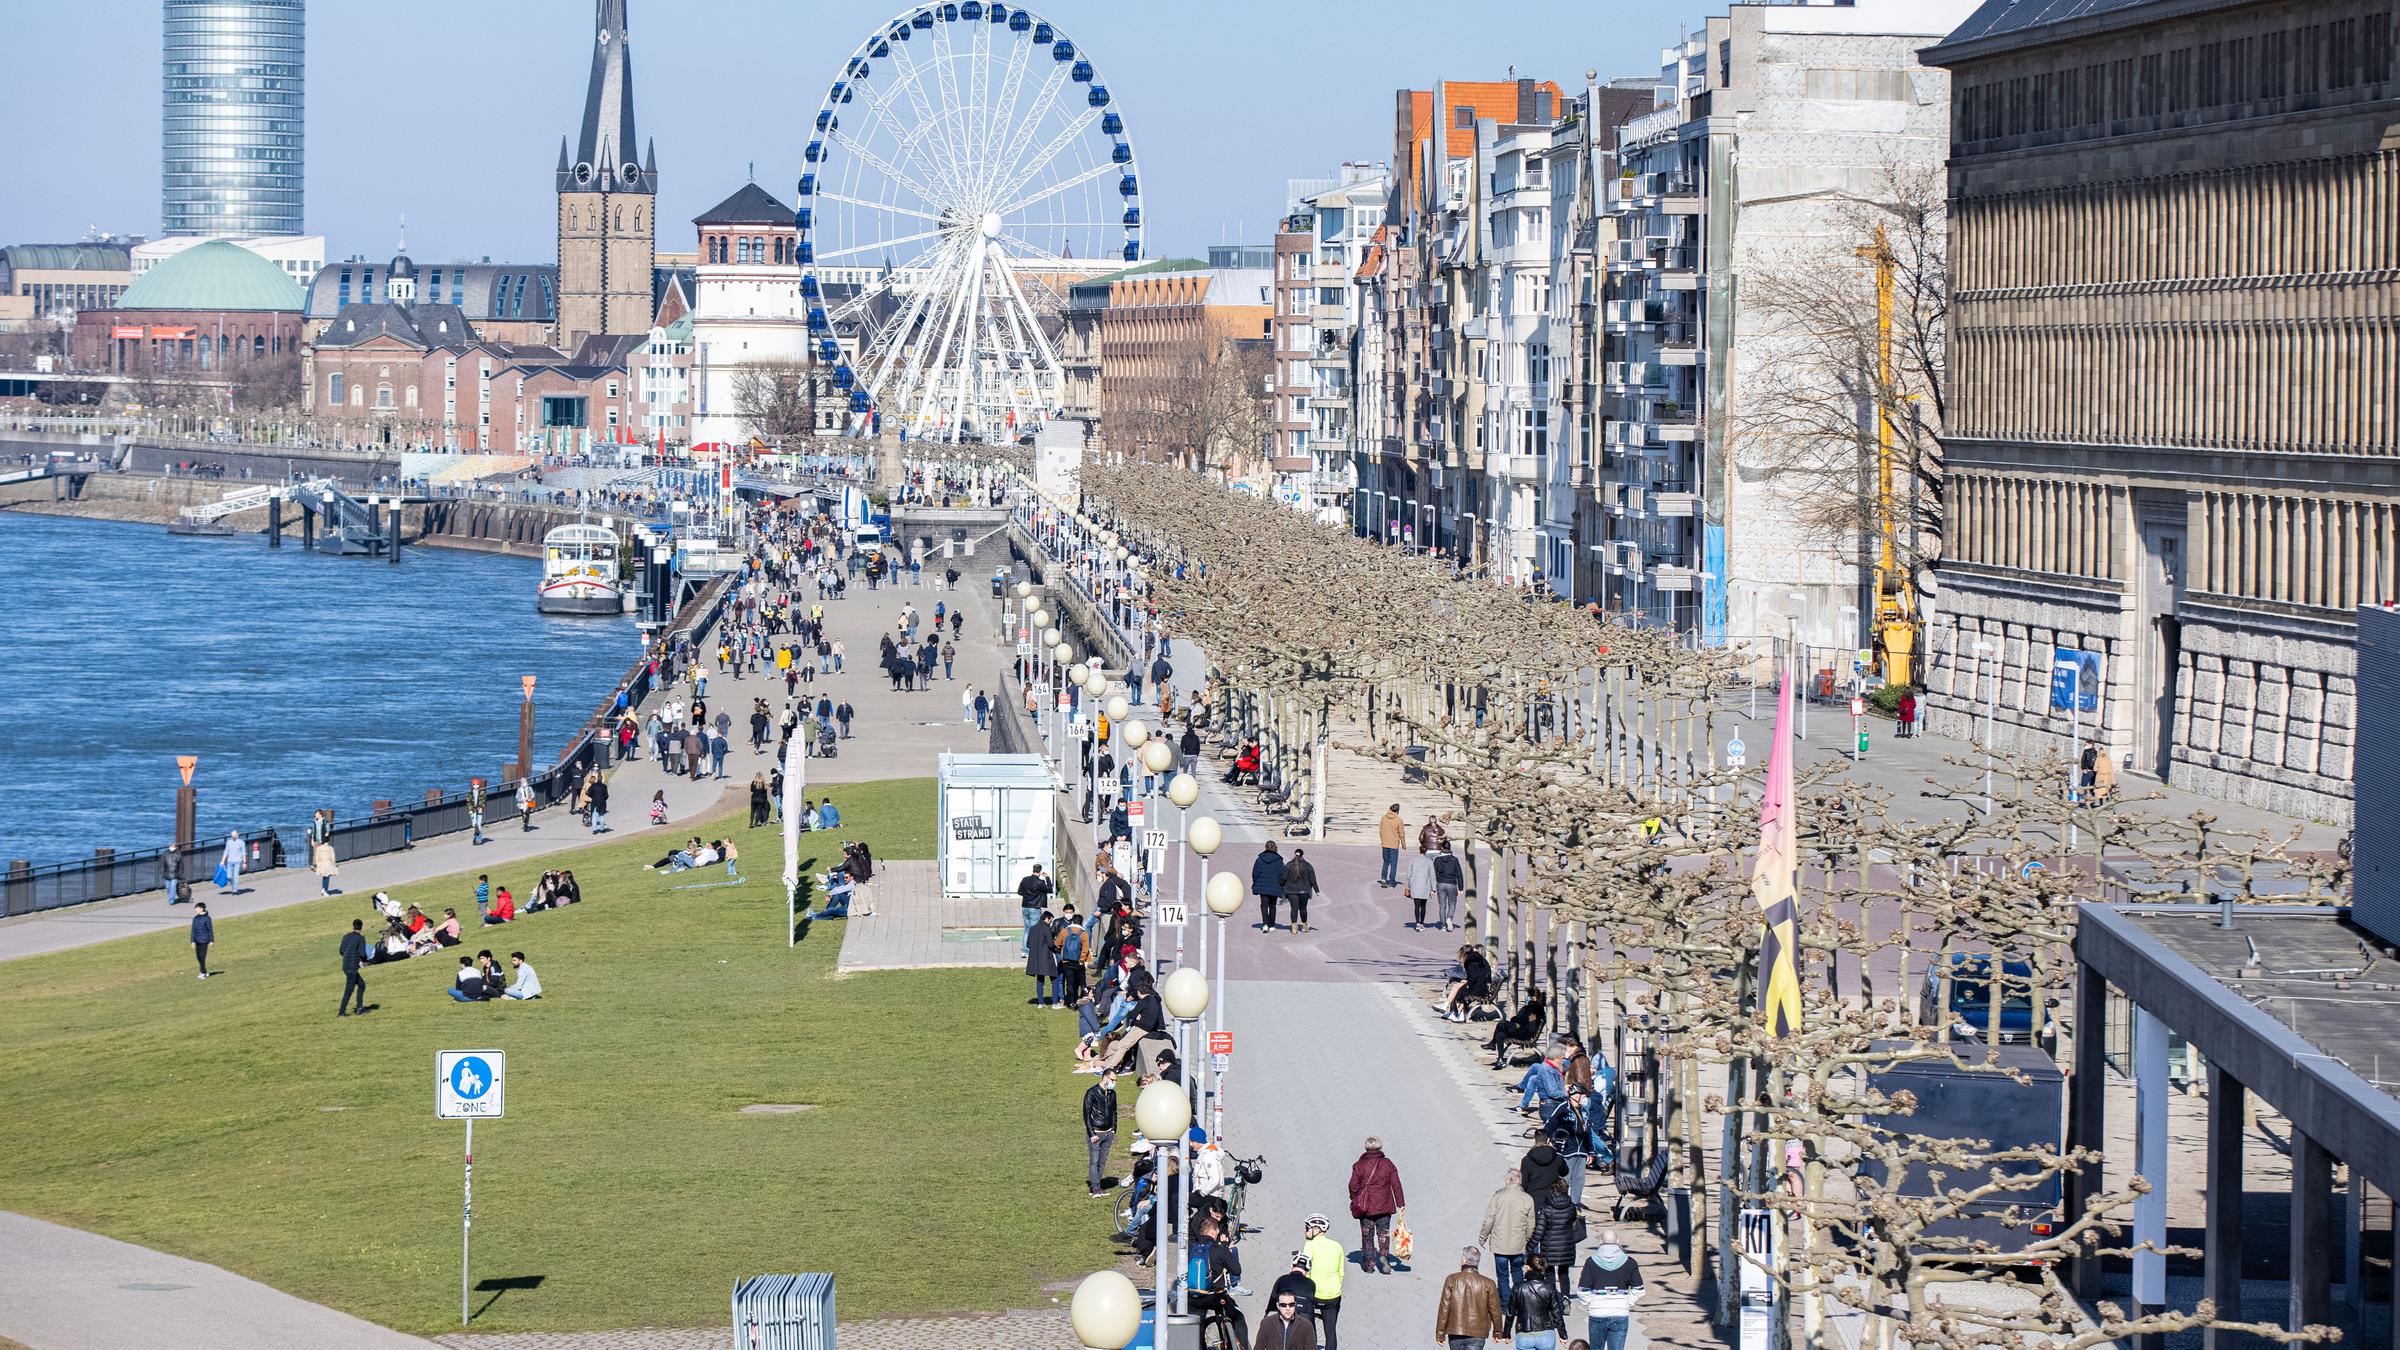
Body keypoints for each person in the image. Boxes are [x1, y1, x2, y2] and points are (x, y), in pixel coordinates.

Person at [1480, 1166, 1536, 1322]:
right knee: (1518, 1274)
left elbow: (1489, 1219)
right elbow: (1531, 1224)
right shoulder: (1527, 1199)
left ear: (1507, 1180)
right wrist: (1527, 1238)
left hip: (1500, 1244)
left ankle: (1505, 1305)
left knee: (1502, 1276)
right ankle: (1519, 1303)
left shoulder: (1497, 1198)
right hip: (1518, 1244)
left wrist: (1483, 1237)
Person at [1575, 1232, 1645, 1350]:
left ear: (1601, 1242)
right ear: (1617, 1241)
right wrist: (1627, 1302)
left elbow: (1582, 1290)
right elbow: (1639, 1289)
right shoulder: (1629, 1262)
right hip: (1620, 1312)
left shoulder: (1591, 1262)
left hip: (1597, 1312)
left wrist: (1591, 1303)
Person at [1347, 1136, 1406, 1274]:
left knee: (1367, 1236)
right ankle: (1384, 1257)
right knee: (1383, 1233)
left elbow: (1353, 1185)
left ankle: (1369, 1264)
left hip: (1365, 1207)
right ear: (1380, 1147)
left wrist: (1355, 1198)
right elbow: (1396, 1184)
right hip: (1384, 1206)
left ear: (1366, 1148)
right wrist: (1400, 1203)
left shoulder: (1359, 1165)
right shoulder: (1387, 1163)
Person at [1437, 1245, 1507, 1350]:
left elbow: (1444, 1308)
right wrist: (1497, 1332)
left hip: (1456, 1330)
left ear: (1464, 1260)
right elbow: (1495, 1310)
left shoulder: (1451, 1279)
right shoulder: (1489, 1283)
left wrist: (1440, 1333)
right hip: (1478, 1332)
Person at [1529, 1179, 1582, 1299]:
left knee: (1549, 1273)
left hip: (1549, 1246)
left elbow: (1540, 1230)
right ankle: (1565, 1298)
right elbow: (1573, 1221)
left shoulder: (1546, 1207)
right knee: (1564, 1273)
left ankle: (1551, 1299)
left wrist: (1530, 1246)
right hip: (1566, 1245)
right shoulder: (1571, 1207)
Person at [1301, 1214, 1346, 1350]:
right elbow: (1341, 1273)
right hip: (1333, 1295)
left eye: (1307, 1228)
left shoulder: (1309, 1245)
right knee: (1330, 1332)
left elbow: (1305, 1271)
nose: (1304, 1230)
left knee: (1308, 1327)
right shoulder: (1337, 1246)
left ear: (1316, 1230)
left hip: (1314, 1295)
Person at [1510, 1256, 1565, 1350]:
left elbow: (1510, 1312)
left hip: (1524, 1333)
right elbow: (1556, 1312)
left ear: (1527, 1267)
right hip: (1546, 1333)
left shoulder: (1518, 1288)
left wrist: (1506, 1333)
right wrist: (1562, 1333)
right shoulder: (1549, 1287)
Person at [1082, 1069, 1118, 1197]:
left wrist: (1114, 1130)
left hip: (1108, 1133)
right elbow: (1086, 1115)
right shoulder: (1091, 1093)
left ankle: (1097, 1186)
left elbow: (1114, 1112)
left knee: (1102, 1161)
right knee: (1094, 1161)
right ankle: (1095, 1187)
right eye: (1112, 1080)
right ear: (1105, 1078)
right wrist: (1092, 1134)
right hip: (1096, 1132)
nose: (1114, 1083)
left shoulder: (1112, 1094)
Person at [1026, 907, 1061, 1007]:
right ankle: (1055, 1002)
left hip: (1036, 959)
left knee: (1040, 980)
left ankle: (1040, 1002)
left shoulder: (1032, 928)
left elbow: (1028, 944)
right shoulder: (1046, 928)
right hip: (1047, 958)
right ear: (1047, 918)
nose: (1051, 922)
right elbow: (1050, 944)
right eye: (1051, 920)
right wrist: (1057, 950)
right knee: (1054, 979)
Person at [1251, 840, 1287, 931]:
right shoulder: (1279, 860)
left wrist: (1256, 882)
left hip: (1262, 886)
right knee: (1272, 906)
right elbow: (1283, 874)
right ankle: (1272, 925)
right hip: (1275, 887)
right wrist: (1281, 884)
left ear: (1265, 847)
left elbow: (1255, 873)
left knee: (1264, 905)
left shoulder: (1259, 859)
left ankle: (1265, 924)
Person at [1016, 864, 1052, 956]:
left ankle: (1024, 950)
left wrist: (1028, 896)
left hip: (1025, 907)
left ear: (1033, 870)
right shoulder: (1040, 882)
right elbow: (1049, 889)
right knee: (1034, 929)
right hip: (1034, 908)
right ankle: (1032, 950)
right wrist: (1047, 878)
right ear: (1040, 872)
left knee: (1026, 929)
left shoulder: (1025, 879)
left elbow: (1019, 891)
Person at [338, 918, 370, 1016]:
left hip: (345, 966)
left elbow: (341, 951)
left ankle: (359, 1008)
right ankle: (341, 1012)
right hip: (352, 968)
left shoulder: (346, 937)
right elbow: (362, 953)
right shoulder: (361, 938)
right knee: (349, 990)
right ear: (361, 927)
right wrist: (365, 961)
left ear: (353, 926)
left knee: (361, 985)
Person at [1284, 848, 1319, 932]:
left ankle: (1294, 928)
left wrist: (1282, 886)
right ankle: (1305, 926)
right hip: (1304, 891)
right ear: (1302, 854)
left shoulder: (1288, 865)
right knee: (1303, 909)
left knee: (1294, 909)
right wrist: (1316, 890)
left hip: (1291, 891)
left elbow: (1283, 878)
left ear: (1294, 854)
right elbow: (1312, 879)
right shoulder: (1307, 865)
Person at [1433, 842, 1466, 931]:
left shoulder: (1437, 860)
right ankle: (1449, 918)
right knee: (1452, 903)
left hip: (1441, 884)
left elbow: (1433, 874)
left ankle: (1443, 925)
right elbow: (1459, 873)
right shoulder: (1454, 859)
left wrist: (1433, 887)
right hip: (1452, 884)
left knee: (1442, 906)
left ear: (1442, 848)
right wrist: (1461, 887)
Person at [1405, 845, 1438, 930]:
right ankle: (1422, 923)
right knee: (1423, 906)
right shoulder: (1429, 861)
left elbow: (1409, 874)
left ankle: (1417, 923)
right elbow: (1432, 876)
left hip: (1415, 885)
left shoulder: (1412, 860)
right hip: (1425, 887)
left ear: (1419, 850)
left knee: (1416, 906)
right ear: (1426, 852)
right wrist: (1434, 888)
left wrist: (1408, 885)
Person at [1377, 804, 1406, 887]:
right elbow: (1401, 834)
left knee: (1386, 862)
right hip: (1394, 845)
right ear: (1397, 810)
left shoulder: (1383, 818)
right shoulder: (1399, 820)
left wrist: (1383, 840)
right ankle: (1392, 881)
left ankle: (1383, 878)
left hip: (1385, 844)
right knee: (1393, 864)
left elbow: (1380, 831)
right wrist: (1403, 844)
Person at [186, 902, 215, 979]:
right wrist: (192, 941)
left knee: (202, 956)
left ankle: (203, 972)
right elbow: (193, 930)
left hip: (204, 940)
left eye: (197, 908)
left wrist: (212, 940)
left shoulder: (207, 918)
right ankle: (204, 972)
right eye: (195, 908)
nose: (196, 909)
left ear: (202, 909)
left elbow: (210, 930)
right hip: (197, 940)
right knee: (198, 957)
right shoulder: (195, 919)